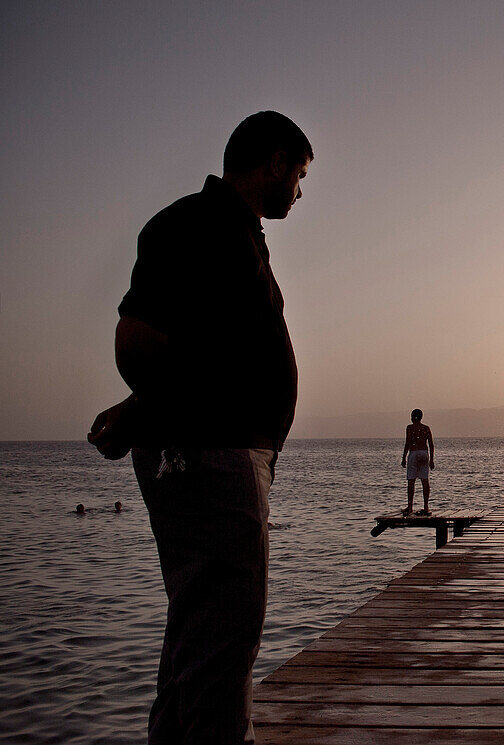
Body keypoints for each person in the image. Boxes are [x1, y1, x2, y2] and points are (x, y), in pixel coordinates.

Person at [87, 111, 312, 745]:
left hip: (219, 455)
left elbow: (201, 348)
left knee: (202, 637)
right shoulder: (195, 223)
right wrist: (149, 408)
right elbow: (137, 340)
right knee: (222, 643)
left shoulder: (236, 233)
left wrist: (143, 410)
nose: (300, 189)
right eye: (300, 173)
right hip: (210, 458)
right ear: (273, 162)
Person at [401, 409, 435, 516]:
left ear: (412, 417)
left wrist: (404, 457)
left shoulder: (410, 428)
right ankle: (426, 506)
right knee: (424, 480)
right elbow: (431, 445)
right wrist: (432, 460)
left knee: (411, 481)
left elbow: (408, 442)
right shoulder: (426, 428)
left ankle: (410, 507)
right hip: (424, 453)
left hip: (414, 452)